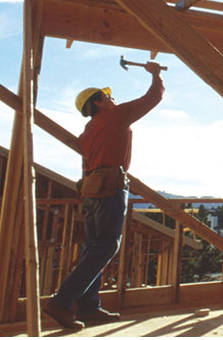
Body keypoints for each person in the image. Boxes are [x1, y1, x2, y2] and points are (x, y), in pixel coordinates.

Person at [42, 61, 164, 331]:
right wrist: (155, 75)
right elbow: (152, 98)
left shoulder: (88, 131)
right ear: (98, 103)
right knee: (108, 246)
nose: (113, 99)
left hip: (91, 191)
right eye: (108, 96)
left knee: (92, 248)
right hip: (110, 187)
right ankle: (61, 302)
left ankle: (88, 306)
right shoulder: (115, 116)